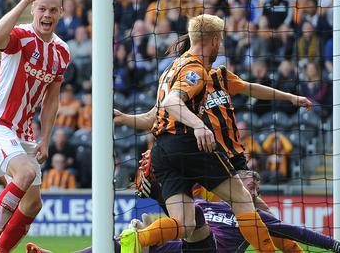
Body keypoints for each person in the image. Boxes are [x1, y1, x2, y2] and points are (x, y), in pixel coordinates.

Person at [113, 14, 279, 252]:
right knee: (242, 199)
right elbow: (172, 103)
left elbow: (153, 117)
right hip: (186, 146)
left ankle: (136, 239)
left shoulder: (170, 70)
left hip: (161, 151)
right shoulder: (196, 68)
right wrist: (199, 126)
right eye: (219, 39)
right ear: (214, 40)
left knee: (184, 223)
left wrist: (123, 118)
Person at [27, 170, 340, 253]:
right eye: (240, 178)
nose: (243, 184)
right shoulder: (208, 201)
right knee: (127, 238)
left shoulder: (256, 218)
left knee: (190, 218)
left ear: (255, 191)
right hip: (181, 245)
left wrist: (339, 246)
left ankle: (140, 235)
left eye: (250, 183)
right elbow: (175, 222)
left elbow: (296, 234)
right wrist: (151, 206)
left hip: (209, 249)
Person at [0, 0, 69, 253]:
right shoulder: (21, 35)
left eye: (53, 9)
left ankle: (0, 251)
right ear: (33, 10)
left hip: (24, 131)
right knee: (26, 173)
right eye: (41, 8)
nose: (47, 14)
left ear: (61, 12)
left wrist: (45, 138)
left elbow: (52, 99)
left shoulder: (62, 52)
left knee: (32, 204)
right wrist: (24, 0)